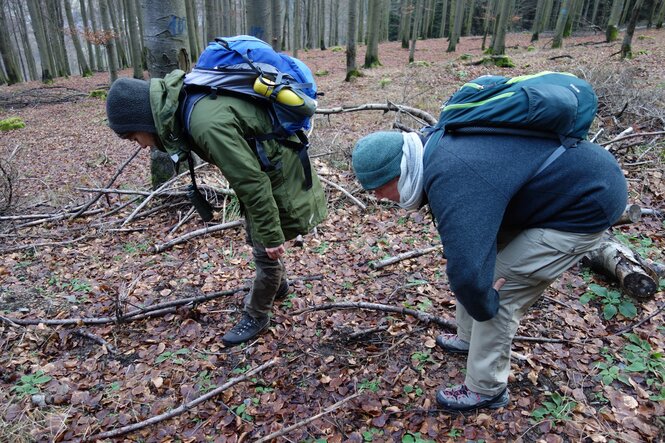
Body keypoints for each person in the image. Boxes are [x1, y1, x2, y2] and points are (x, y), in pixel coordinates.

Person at [351, 128, 627, 411]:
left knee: (499, 286)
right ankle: (468, 338)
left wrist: (485, 303)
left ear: (399, 172)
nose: (378, 197)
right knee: (478, 266)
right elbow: (464, 250)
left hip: (587, 203)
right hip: (555, 192)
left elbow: (469, 272)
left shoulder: (451, 175)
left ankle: (487, 389)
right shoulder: (431, 151)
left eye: (378, 188)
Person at [105, 71, 327, 346]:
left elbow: (253, 182)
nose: (139, 144)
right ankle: (277, 285)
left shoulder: (204, 123)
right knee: (258, 232)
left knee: (265, 245)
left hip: (275, 170)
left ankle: (258, 313)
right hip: (265, 165)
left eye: (133, 137)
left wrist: (271, 235)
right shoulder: (185, 106)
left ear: (143, 120)